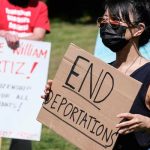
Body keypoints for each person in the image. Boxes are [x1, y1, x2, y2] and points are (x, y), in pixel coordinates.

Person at [42, 0, 150, 149]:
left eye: (115, 21)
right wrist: (56, 94)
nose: (107, 26)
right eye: (104, 20)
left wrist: (147, 123)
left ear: (138, 29)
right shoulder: (102, 72)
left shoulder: (147, 75)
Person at [0, 0, 50, 150]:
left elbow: (39, 35)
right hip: (3, 68)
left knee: (22, 127)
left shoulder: (40, 6)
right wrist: (4, 33)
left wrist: (14, 39)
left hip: (26, 75)